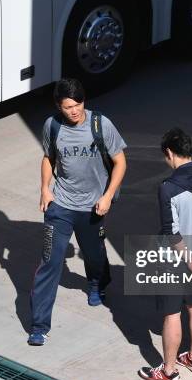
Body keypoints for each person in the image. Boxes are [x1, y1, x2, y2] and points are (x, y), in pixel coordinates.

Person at [28, 78, 127, 346]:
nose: (74, 111)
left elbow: (120, 162)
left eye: (78, 104)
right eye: (68, 107)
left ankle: (96, 283)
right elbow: (49, 157)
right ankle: (38, 325)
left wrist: (107, 196)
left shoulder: (100, 124)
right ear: (59, 106)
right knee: (50, 262)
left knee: (94, 253)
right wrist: (45, 189)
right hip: (60, 204)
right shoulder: (53, 126)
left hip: (93, 205)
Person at [138, 128, 192, 380]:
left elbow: (170, 233)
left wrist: (187, 258)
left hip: (175, 259)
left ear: (170, 153)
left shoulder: (168, 188)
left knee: (172, 313)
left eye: (166, 156)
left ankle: (169, 371)